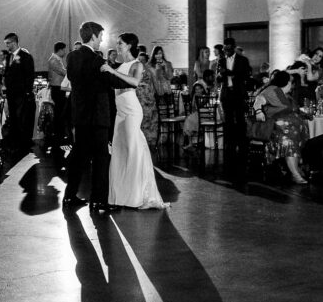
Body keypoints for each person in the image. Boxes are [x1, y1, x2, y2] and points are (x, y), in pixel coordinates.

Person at [100, 33, 166, 210]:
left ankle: (137, 195)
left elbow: (134, 82)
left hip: (131, 111)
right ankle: (121, 195)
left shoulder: (137, 64)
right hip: (120, 112)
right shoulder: (121, 65)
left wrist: (111, 71)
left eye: (120, 43)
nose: (118, 46)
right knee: (120, 151)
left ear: (129, 45)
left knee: (132, 149)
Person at [63, 21, 121, 216]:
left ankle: (70, 196)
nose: (102, 40)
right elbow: (111, 81)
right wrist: (131, 80)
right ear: (94, 36)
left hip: (80, 116)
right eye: (101, 37)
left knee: (79, 157)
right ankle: (98, 202)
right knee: (101, 160)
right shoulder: (96, 60)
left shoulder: (72, 57)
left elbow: (74, 81)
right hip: (97, 117)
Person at [253, 70, 308, 184]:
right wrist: (259, 112)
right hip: (276, 129)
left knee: (296, 136)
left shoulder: (284, 94)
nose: (292, 86)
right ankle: (295, 174)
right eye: (290, 82)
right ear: (286, 82)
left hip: (290, 129)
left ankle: (295, 169)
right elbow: (258, 100)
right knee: (290, 141)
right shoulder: (271, 91)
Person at [216, 36, 252, 173]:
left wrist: (229, 73)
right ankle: (229, 146)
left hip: (238, 93)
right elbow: (220, 77)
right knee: (229, 121)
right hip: (227, 93)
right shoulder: (222, 60)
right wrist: (220, 76)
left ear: (233, 47)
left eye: (229, 49)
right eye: (225, 49)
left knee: (241, 120)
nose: (227, 51)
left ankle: (242, 146)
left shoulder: (243, 60)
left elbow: (244, 75)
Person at [2, 32, 36, 158]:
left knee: (22, 120)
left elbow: (29, 76)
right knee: (14, 120)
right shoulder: (8, 58)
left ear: (14, 42)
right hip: (11, 94)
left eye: (8, 44)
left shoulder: (26, 56)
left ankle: (23, 145)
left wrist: (27, 92)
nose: (7, 47)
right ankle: (15, 144)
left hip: (21, 94)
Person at [182, 69, 216, 147]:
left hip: (205, 114)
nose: (197, 90)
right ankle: (191, 142)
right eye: (196, 89)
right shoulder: (196, 96)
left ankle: (195, 141)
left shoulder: (205, 96)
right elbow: (194, 107)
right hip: (199, 113)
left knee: (189, 119)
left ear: (202, 89)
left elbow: (202, 105)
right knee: (189, 119)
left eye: (199, 89)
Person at [47, 41, 68, 151]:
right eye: (64, 50)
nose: (65, 52)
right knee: (59, 112)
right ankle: (58, 134)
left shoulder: (56, 60)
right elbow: (63, 72)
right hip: (57, 89)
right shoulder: (54, 60)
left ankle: (59, 133)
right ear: (60, 50)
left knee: (60, 111)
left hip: (59, 89)